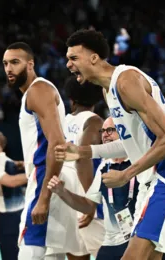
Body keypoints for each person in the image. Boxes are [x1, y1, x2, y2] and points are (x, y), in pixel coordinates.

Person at [57, 28, 165, 259]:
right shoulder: (108, 90)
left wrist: (126, 174)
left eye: (73, 58)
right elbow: (134, 144)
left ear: (94, 58)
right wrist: (84, 152)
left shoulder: (126, 81)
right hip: (150, 180)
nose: (68, 64)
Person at [3, 42, 82, 260]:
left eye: (15, 62)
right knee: (51, 256)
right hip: (54, 177)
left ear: (30, 64)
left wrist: (44, 197)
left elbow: (57, 144)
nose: (9, 68)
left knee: (29, 253)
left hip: (45, 179)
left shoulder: (37, 90)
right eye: (5, 63)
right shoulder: (40, 91)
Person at [49, 117, 140, 260]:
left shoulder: (141, 161)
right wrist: (62, 192)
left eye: (111, 130)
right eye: (102, 131)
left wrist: (80, 152)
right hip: (111, 243)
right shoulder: (104, 166)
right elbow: (88, 206)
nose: (105, 134)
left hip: (139, 240)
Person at [63, 76, 105, 260]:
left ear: (71, 99)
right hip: (89, 203)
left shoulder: (62, 121)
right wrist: (90, 204)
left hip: (67, 200)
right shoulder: (95, 122)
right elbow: (82, 159)